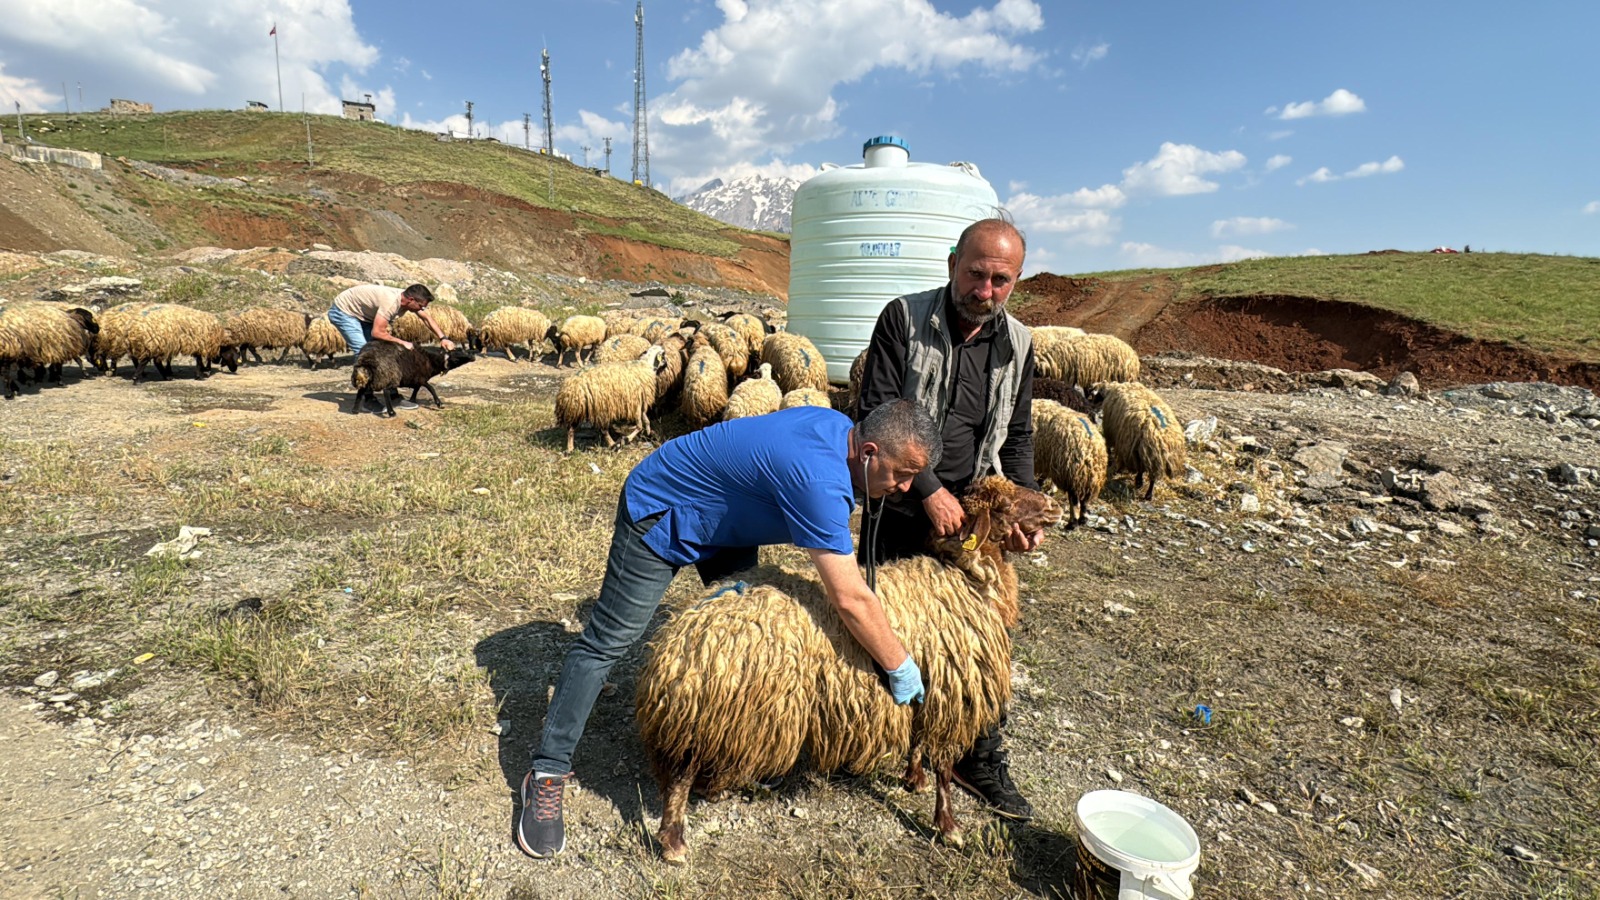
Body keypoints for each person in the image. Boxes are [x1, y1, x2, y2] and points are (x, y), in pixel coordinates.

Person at [517, 400, 943, 859]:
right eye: (901, 475)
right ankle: (547, 770)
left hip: (726, 520)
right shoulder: (820, 479)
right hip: (664, 506)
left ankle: (735, 746)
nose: (903, 489)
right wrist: (899, 664)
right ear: (870, 451)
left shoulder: (842, 433)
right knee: (609, 641)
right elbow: (850, 598)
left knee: (752, 640)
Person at [855, 217, 1045, 822]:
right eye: (975, 274)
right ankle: (870, 733)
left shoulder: (1018, 342)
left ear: (1014, 282)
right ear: (951, 265)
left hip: (971, 519)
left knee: (977, 640)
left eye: (1000, 280)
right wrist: (930, 488)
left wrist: (1024, 506)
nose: (984, 290)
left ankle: (975, 755)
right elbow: (878, 409)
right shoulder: (903, 320)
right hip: (901, 501)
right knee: (881, 621)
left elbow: (1016, 437)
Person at [327, 283, 456, 411]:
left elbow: (426, 318)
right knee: (364, 353)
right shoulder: (391, 303)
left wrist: (443, 338)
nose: (421, 309)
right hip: (344, 312)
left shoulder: (407, 300)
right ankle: (367, 398)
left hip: (364, 315)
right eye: (421, 306)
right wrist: (402, 342)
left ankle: (393, 396)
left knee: (385, 351)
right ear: (411, 300)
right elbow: (377, 333)